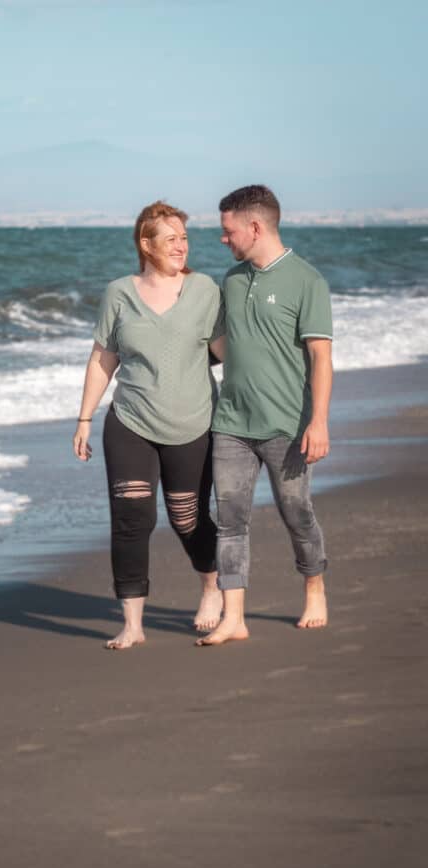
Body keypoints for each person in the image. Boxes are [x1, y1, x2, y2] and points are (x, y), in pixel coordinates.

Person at [73, 200, 226, 649]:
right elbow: (103, 357)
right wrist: (84, 418)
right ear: (146, 243)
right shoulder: (119, 292)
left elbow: (226, 353)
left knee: (187, 517)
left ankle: (212, 587)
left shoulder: (204, 291)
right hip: (130, 420)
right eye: (171, 238)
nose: (181, 245)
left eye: (184, 237)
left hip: (193, 421)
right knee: (131, 518)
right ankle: (133, 623)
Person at [197, 184, 333, 647]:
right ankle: (234, 616)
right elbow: (219, 344)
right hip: (232, 424)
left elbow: (320, 357)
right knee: (230, 518)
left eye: (227, 230)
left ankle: (314, 586)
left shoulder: (306, 280)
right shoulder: (232, 280)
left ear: (254, 227)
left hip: (287, 426)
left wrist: (318, 422)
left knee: (297, 512)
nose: (223, 239)